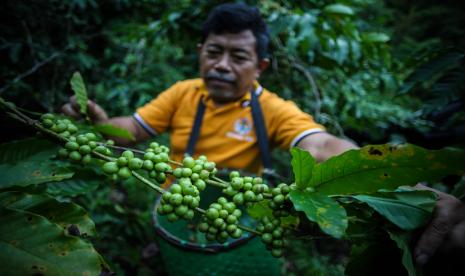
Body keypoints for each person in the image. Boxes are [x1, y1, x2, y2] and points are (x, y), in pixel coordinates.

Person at [62, 2, 464, 267]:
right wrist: (98, 124)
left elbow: (321, 145)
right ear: (200, 50)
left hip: (240, 220)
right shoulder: (182, 93)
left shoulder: (271, 108)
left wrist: (395, 185)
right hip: (179, 210)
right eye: (213, 52)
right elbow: (130, 132)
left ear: (261, 66)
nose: (221, 65)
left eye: (237, 57)